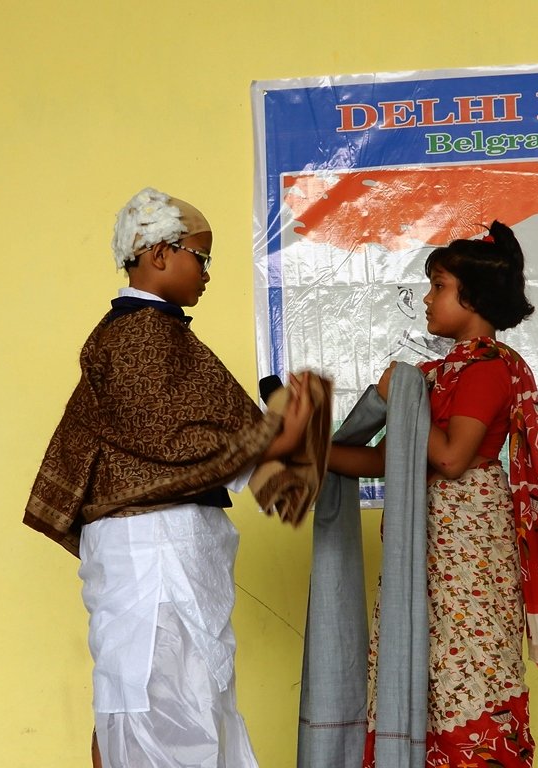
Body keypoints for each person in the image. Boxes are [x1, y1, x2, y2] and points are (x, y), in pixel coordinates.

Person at [24, 187, 325, 768]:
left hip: (163, 546)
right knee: (163, 706)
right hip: (153, 550)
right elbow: (165, 438)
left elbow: (202, 435)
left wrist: (278, 437)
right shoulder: (140, 334)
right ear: (160, 253)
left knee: (156, 702)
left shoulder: (155, 332)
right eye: (202, 257)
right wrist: (274, 434)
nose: (208, 273)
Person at [328, 220, 538, 768]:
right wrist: (309, 450)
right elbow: (386, 460)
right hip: (425, 547)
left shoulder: (488, 369)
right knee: (420, 669)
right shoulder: (436, 375)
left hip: (470, 554)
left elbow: (450, 457)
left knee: (468, 672)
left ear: (474, 297)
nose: (427, 297)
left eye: (438, 285)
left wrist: (404, 397)